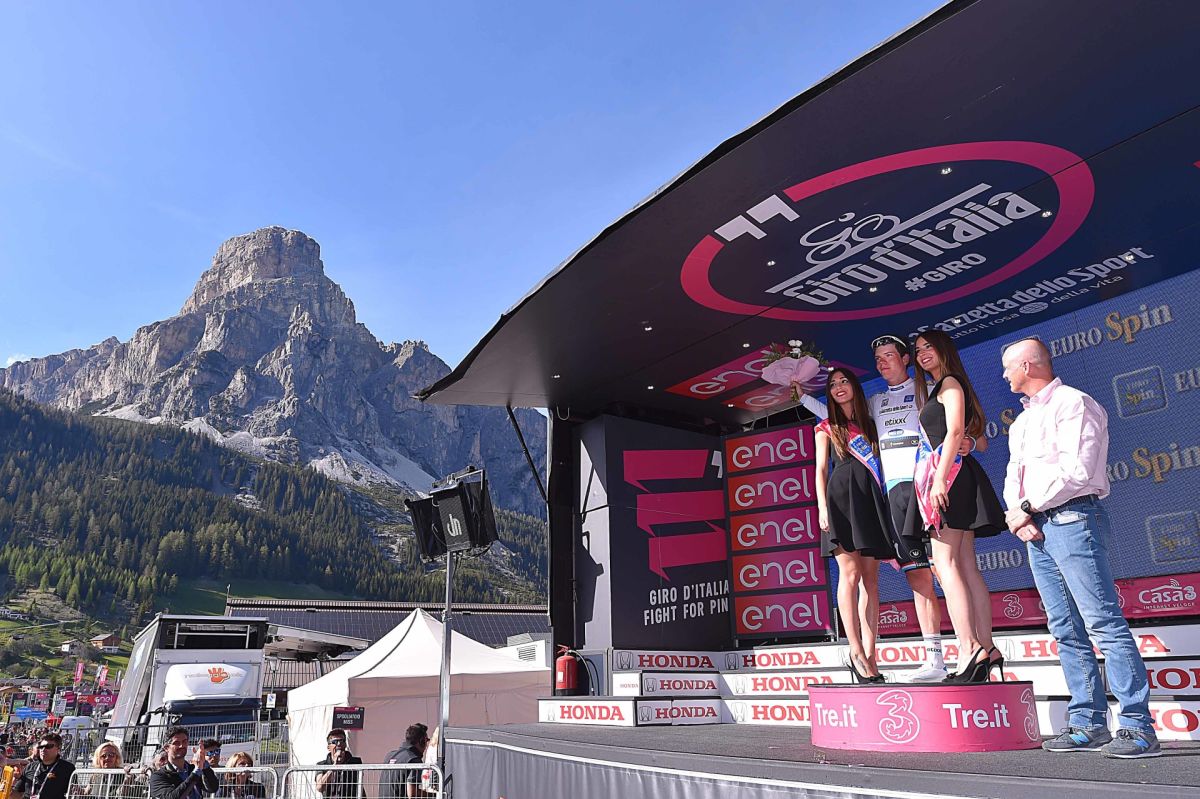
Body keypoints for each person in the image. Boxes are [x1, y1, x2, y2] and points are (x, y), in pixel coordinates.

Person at [1001, 337, 1159, 758]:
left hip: (1073, 519)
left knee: (1103, 623)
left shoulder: (1074, 403)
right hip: (1035, 528)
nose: (1004, 375)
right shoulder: (1021, 422)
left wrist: (1028, 508)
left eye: (1008, 367)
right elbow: (1014, 475)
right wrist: (1019, 516)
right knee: (1065, 629)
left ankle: (1138, 727)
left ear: (1028, 366)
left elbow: (1079, 471)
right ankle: (1088, 722)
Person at [801, 334, 970, 681]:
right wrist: (799, 394)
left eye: (889, 355)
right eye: (878, 358)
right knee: (917, 576)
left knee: (947, 570)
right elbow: (831, 414)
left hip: (927, 487)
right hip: (890, 496)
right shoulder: (874, 403)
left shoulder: (929, 391)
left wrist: (969, 439)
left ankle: (969, 650)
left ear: (905, 359)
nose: (882, 363)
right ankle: (933, 660)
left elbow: (959, 426)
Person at [912, 330, 1005, 683]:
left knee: (945, 563)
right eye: (918, 350)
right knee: (965, 566)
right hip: (958, 475)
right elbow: (977, 441)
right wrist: (966, 442)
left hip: (949, 478)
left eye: (928, 347)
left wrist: (938, 481)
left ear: (944, 349)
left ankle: (969, 648)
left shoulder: (950, 383)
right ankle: (987, 647)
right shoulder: (947, 386)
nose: (922, 353)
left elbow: (954, 433)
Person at [814, 368, 892, 683]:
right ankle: (855, 651)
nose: (839, 387)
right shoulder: (825, 428)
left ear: (854, 387)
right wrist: (822, 508)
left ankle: (871, 655)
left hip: (869, 501)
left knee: (871, 580)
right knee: (850, 574)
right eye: (833, 384)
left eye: (844, 381)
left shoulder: (871, 425)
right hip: (840, 502)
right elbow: (820, 470)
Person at [148, 726, 220, 799]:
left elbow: (213, 788)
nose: (181, 746)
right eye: (176, 743)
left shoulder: (192, 769)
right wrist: (196, 771)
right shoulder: (158, 776)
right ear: (166, 748)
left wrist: (204, 764)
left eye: (184, 741)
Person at [11, 732, 76, 799]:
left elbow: (75, 792)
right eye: (41, 747)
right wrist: (8, 789)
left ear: (58, 749)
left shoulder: (67, 768)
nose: (43, 749)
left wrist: (80, 791)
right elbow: (17, 793)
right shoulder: (30, 766)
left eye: (48, 746)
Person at [69, 741, 138, 798]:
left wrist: (127, 779)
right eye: (103, 756)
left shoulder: (123, 773)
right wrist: (79, 790)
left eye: (111, 755)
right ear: (98, 759)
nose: (107, 758)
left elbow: (123, 794)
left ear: (116, 757)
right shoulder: (95, 775)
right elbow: (86, 792)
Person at [382, 724, 429, 798]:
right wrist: (434, 795)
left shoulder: (389, 756)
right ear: (421, 741)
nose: (426, 745)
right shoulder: (413, 759)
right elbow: (412, 793)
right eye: (427, 740)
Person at [314, 729, 361, 799]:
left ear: (345, 744)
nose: (339, 744)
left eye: (342, 741)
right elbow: (320, 787)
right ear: (329, 747)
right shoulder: (322, 765)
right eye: (335, 742)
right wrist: (335, 765)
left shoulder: (355, 762)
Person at [419, 727, 440, 796]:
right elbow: (436, 763)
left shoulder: (431, 746)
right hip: (432, 779)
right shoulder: (437, 748)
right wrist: (434, 784)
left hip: (426, 775)